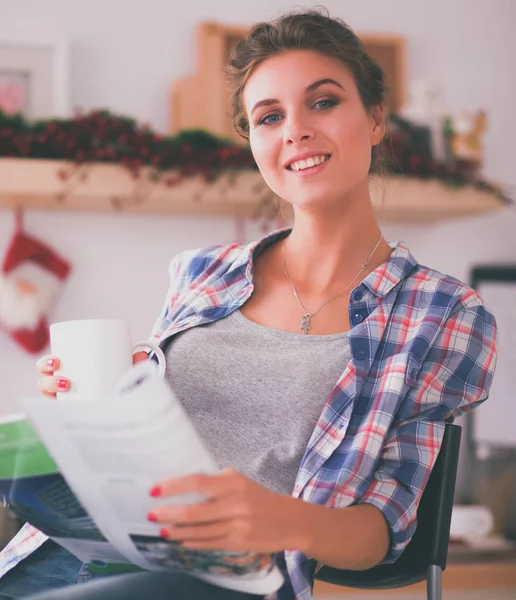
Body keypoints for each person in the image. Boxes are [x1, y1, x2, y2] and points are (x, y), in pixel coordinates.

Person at [0, 8, 497, 600]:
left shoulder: (443, 313)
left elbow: (382, 533)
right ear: (255, 143)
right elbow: (144, 444)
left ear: (374, 119)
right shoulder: (202, 271)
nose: (295, 131)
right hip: (59, 557)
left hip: (215, 584)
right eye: (269, 116)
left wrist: (280, 519)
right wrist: (93, 409)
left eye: (323, 102)